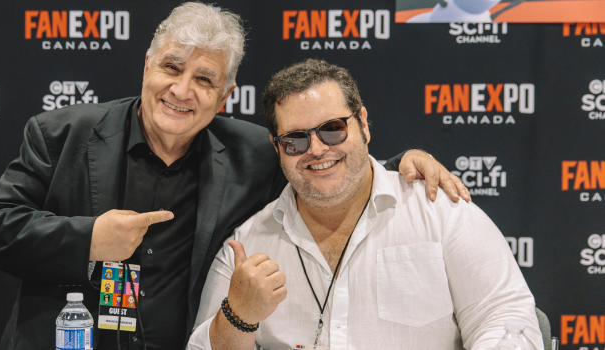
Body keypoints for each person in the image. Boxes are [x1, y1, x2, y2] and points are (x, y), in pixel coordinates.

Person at [0, 3, 468, 350]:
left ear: (225, 96)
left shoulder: (253, 152)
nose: (182, 90)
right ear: (147, 65)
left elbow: (324, 172)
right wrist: (89, 238)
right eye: (172, 68)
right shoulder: (62, 134)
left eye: (205, 79)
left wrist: (402, 162)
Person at [187, 59, 542, 350]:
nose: (316, 149)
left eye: (332, 129)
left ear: (364, 125)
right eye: (295, 140)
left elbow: (507, 318)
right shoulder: (248, 246)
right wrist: (238, 316)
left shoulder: (439, 211)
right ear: (276, 147)